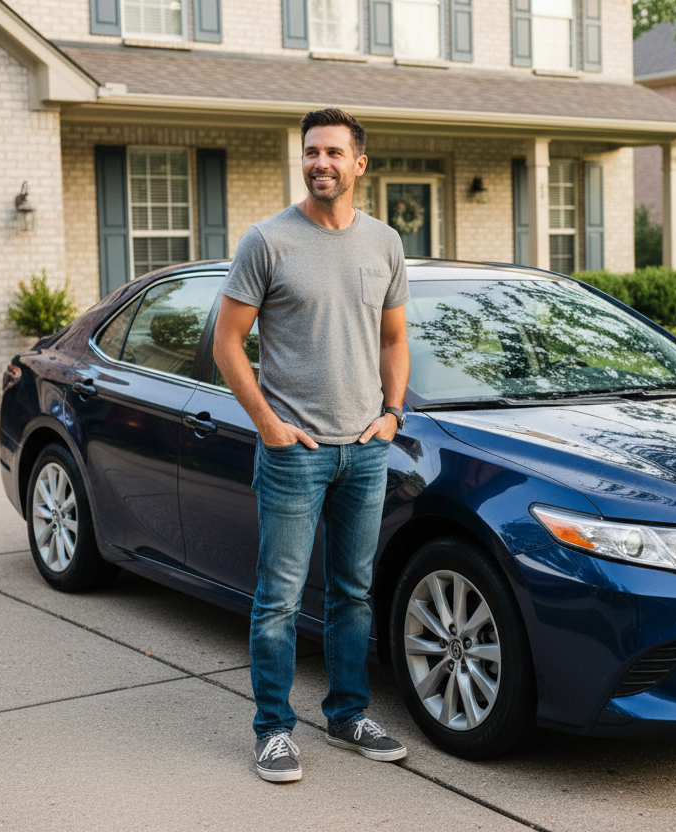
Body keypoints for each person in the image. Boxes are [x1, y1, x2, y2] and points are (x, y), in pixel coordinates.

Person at [214, 108, 411, 783]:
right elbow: (226, 344)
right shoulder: (268, 241)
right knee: (278, 598)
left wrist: (392, 413)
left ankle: (348, 713)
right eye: (310, 152)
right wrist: (268, 424)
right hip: (294, 451)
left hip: (365, 450)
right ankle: (272, 728)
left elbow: (393, 338)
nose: (319, 162)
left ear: (359, 164)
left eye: (332, 152)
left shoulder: (384, 243)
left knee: (353, 595)